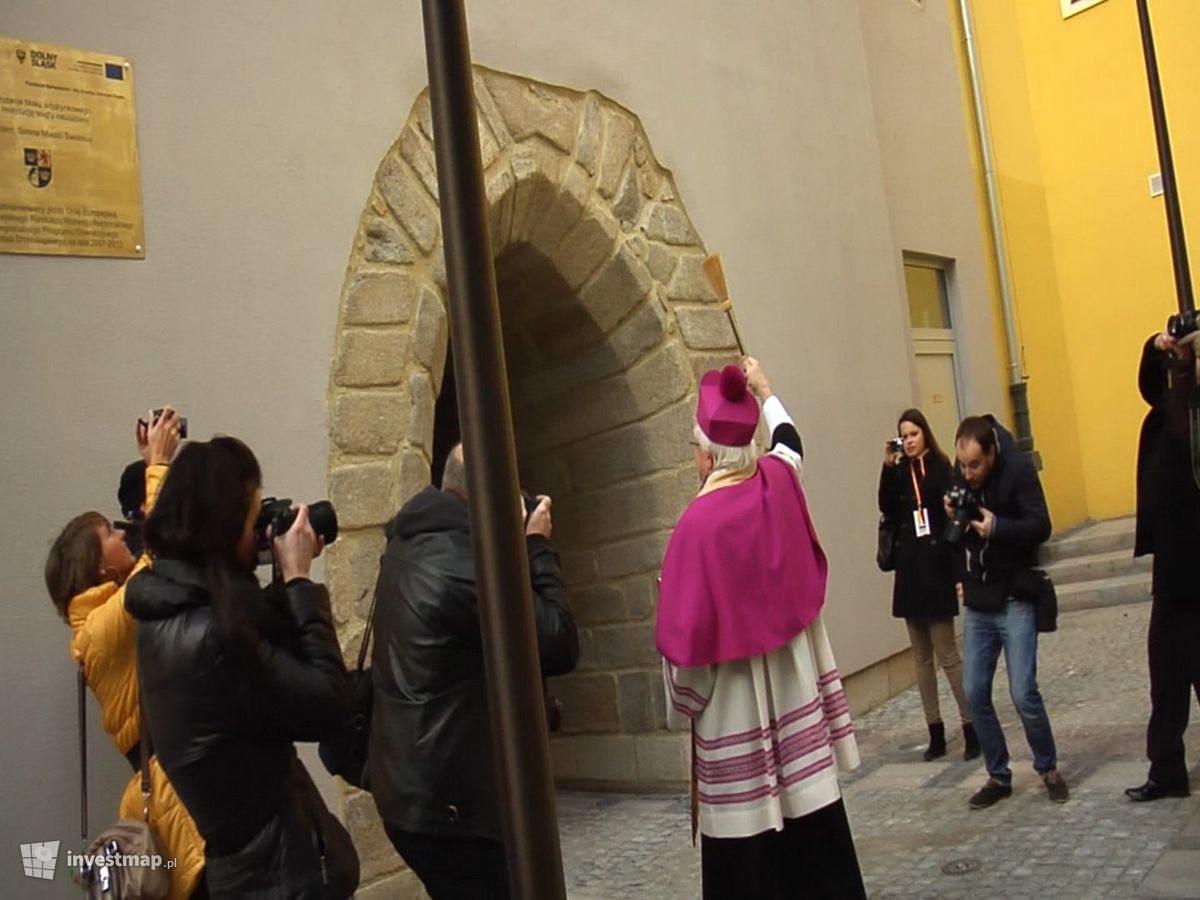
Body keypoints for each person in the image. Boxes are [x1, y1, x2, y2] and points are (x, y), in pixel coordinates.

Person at [658, 358, 866, 900]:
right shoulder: (779, 481)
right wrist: (766, 388)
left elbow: (688, 673)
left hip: (737, 745)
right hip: (803, 743)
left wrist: (681, 702)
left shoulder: (695, 531)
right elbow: (791, 441)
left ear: (705, 457)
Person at [125, 436, 359, 898]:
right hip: (281, 878)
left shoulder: (166, 614)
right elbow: (332, 705)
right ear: (224, 529)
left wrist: (276, 591)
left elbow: (258, 670)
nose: (259, 535)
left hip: (251, 871)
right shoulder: (213, 638)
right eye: (254, 520)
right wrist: (298, 583)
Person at [367, 442, 579, 899]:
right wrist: (536, 548)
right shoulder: (463, 565)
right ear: (489, 496)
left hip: (414, 793)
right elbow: (557, 640)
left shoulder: (414, 539)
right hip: (454, 809)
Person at [44, 407, 206, 900]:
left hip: (181, 779)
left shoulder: (107, 614)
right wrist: (157, 462)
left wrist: (150, 459)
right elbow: (160, 561)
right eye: (112, 537)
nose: (123, 535)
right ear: (97, 567)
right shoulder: (96, 630)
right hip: (176, 796)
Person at [949, 415, 1068, 809]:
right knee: (974, 691)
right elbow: (956, 531)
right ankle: (998, 775)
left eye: (975, 466)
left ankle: (1048, 768)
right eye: (962, 465)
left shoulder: (1017, 468)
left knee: (1023, 692)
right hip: (981, 598)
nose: (968, 474)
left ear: (992, 453)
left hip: (1016, 594)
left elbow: (1041, 525)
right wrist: (956, 514)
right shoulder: (963, 471)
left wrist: (997, 528)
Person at [879, 409, 979, 762]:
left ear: (925, 434)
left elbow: (956, 521)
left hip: (937, 569)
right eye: (903, 435)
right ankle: (934, 729)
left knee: (948, 655)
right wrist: (887, 467)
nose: (907, 441)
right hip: (910, 573)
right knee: (921, 660)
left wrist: (959, 576)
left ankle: (971, 725)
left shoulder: (940, 466)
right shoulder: (899, 472)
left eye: (913, 434)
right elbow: (887, 509)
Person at [1126, 329, 1200, 802]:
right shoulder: (1166, 414)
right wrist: (1156, 345)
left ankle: (1168, 770)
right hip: (1174, 574)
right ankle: (1167, 771)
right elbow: (1149, 385)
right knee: (1166, 681)